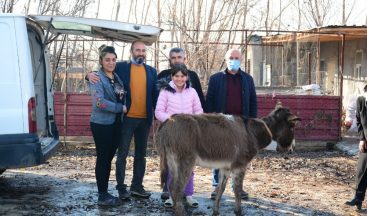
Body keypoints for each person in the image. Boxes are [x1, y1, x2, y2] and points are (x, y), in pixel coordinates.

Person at [88, 40, 158, 200]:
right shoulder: (121, 66)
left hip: (144, 119)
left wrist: (156, 116)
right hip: (125, 119)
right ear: (131, 51)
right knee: (122, 155)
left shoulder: (152, 71)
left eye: (143, 50)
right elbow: (102, 69)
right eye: (137, 50)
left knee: (141, 155)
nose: (141, 53)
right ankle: (121, 188)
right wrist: (88, 74)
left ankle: (137, 187)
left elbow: (155, 94)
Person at [206, 48, 257, 200]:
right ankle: (217, 186)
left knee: (240, 157)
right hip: (221, 124)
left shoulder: (248, 79)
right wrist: (210, 122)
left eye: (236, 58)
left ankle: (237, 187)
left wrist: (252, 123)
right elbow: (210, 101)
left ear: (241, 60)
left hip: (242, 125)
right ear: (225, 59)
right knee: (219, 154)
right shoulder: (216, 79)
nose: (233, 60)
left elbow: (253, 101)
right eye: (230, 57)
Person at [157, 47, 206, 200]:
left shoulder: (192, 86)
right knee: (170, 163)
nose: (179, 79)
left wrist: (196, 122)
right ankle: (169, 191)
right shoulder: (164, 84)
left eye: (182, 76)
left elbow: (198, 107)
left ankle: (188, 192)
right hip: (170, 131)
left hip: (189, 131)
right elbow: (158, 109)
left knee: (188, 162)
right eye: (173, 57)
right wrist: (171, 120)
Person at [89, 45, 126, 206]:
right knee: (103, 158)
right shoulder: (97, 77)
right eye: (107, 60)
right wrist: (120, 108)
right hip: (102, 124)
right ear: (101, 61)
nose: (111, 63)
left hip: (117, 123)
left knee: (108, 158)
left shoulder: (116, 77)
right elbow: (99, 103)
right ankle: (102, 195)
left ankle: (104, 192)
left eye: (113, 60)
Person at [157, 47, 206, 112]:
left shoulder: (192, 75)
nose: (176, 60)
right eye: (173, 58)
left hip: (189, 119)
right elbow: (156, 98)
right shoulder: (163, 75)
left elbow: (200, 98)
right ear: (170, 60)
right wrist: (156, 118)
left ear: (184, 59)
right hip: (167, 119)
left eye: (179, 57)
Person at [345, 85, 367, 210]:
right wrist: (362, 139)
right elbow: (359, 121)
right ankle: (358, 198)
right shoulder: (361, 101)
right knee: (362, 169)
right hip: (366, 141)